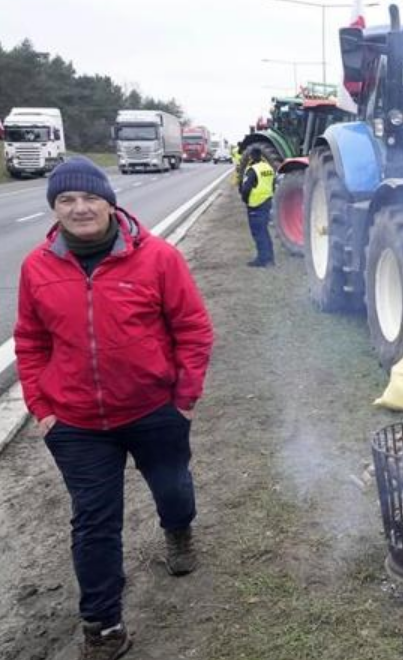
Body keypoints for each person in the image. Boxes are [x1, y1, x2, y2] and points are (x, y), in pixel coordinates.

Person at [14, 156, 214, 659]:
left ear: (109, 202)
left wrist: (184, 399)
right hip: (76, 422)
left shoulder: (158, 258)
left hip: (153, 409)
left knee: (172, 487)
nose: (80, 208)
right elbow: (31, 341)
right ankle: (103, 625)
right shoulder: (37, 267)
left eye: (89, 198)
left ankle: (179, 532)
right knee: (94, 520)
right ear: (55, 208)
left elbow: (193, 330)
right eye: (66, 200)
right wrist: (43, 408)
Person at [240, 147, 275, 267]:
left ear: (251, 157)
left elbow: (246, 188)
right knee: (264, 231)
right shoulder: (268, 168)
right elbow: (273, 184)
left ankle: (262, 259)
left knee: (258, 233)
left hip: (255, 204)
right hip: (267, 201)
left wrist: (245, 201)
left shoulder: (252, 170)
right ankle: (270, 257)